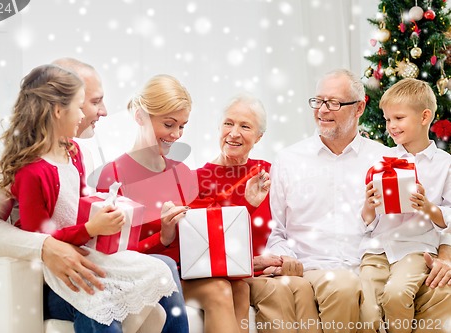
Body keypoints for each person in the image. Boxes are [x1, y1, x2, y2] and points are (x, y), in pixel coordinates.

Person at [0, 58, 188, 333]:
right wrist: (45, 246)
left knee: (163, 268)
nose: (104, 111)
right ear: (61, 108)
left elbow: (75, 214)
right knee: (98, 296)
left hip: (83, 257)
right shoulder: (13, 163)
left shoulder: (79, 154)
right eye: (94, 101)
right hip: (44, 280)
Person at [265, 69, 451, 333]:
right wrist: (285, 260)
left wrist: (446, 255)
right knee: (348, 290)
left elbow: (412, 218)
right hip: (320, 267)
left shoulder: (387, 160)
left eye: (334, 103)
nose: (322, 110)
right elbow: (276, 231)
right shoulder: (288, 160)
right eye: (317, 101)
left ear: (360, 107)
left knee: (437, 292)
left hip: (372, 262)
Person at [96, 74, 258, 333]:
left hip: (186, 271)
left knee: (239, 287)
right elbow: (113, 254)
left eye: (182, 126)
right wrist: (164, 235)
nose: (176, 135)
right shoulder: (113, 175)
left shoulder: (182, 172)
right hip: (145, 277)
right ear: (140, 117)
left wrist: (247, 204)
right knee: (218, 291)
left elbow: (204, 229)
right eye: (169, 124)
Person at [196, 93, 321, 333]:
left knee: (302, 287)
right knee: (278, 291)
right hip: (239, 274)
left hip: (270, 267)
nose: (234, 133)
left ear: (258, 136)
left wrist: (283, 259)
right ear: (218, 127)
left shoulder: (266, 172)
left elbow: (286, 226)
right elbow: (205, 248)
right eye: (228, 123)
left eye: (245, 126)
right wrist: (253, 264)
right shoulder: (199, 179)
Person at [359, 78, 451, 333]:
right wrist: (369, 205)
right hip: (376, 249)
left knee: (396, 295)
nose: (391, 126)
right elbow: (367, 219)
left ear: (424, 117)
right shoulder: (381, 160)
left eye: (398, 118)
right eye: (388, 119)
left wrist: (428, 208)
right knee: (367, 309)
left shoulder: (444, 165)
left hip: (415, 248)